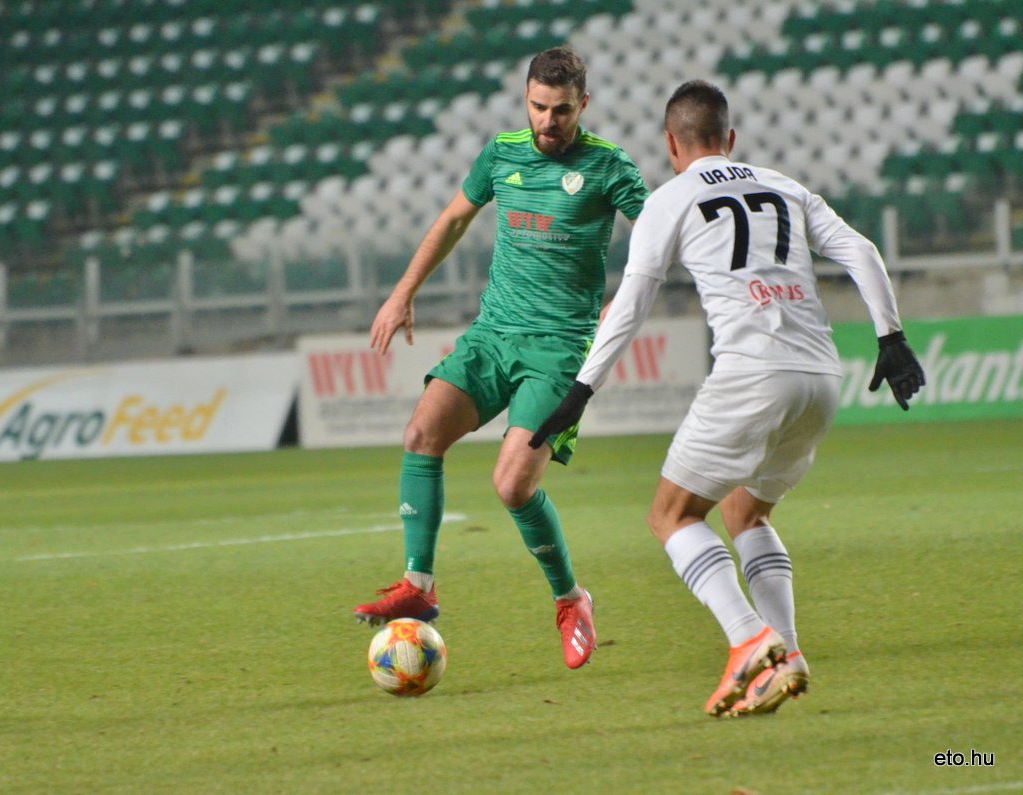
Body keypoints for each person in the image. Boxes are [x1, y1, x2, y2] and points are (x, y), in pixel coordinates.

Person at [530, 80, 925, 709]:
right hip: (821, 378)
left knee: (672, 515)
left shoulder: (671, 199)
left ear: (671, 144)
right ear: (730, 139)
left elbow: (630, 305)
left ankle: (748, 641)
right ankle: (787, 656)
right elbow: (861, 249)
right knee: (747, 513)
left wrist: (582, 389)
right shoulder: (784, 187)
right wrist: (891, 337)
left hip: (753, 374)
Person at [351, 47, 649, 669]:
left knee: (513, 485)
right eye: (538, 107)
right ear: (525, 100)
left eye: (561, 110)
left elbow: (657, 240)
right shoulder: (502, 153)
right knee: (421, 434)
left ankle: (570, 599)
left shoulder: (608, 166)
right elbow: (453, 220)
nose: (548, 121)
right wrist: (403, 293)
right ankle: (419, 585)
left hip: (559, 350)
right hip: (493, 336)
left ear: (583, 105)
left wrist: (620, 307)